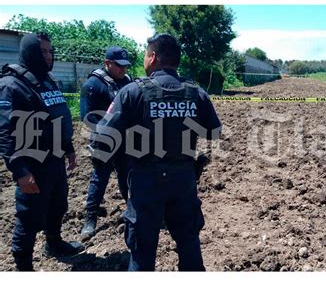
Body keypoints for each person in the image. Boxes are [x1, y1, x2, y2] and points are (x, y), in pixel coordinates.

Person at [92, 33, 221, 271]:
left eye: (144, 55)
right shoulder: (196, 92)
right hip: (184, 179)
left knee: (142, 254)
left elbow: (103, 135)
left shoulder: (132, 92)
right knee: (189, 244)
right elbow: (213, 132)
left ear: (152, 57)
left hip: (145, 181)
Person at [0, 32, 84, 271]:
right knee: (28, 218)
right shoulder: (10, 85)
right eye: (42, 51)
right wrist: (20, 171)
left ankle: (54, 244)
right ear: (29, 52)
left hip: (55, 160)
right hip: (32, 164)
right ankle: (23, 266)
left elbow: (58, 115)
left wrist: (68, 148)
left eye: (50, 51)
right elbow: (5, 133)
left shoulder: (48, 80)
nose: (47, 56)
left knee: (58, 206)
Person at [79, 46, 132, 237]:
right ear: (107, 63)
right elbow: (86, 117)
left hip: (125, 142)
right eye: (119, 66)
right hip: (104, 142)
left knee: (127, 179)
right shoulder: (93, 85)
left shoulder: (128, 82)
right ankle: (90, 218)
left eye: (125, 66)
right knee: (99, 180)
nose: (123, 70)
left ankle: (133, 212)